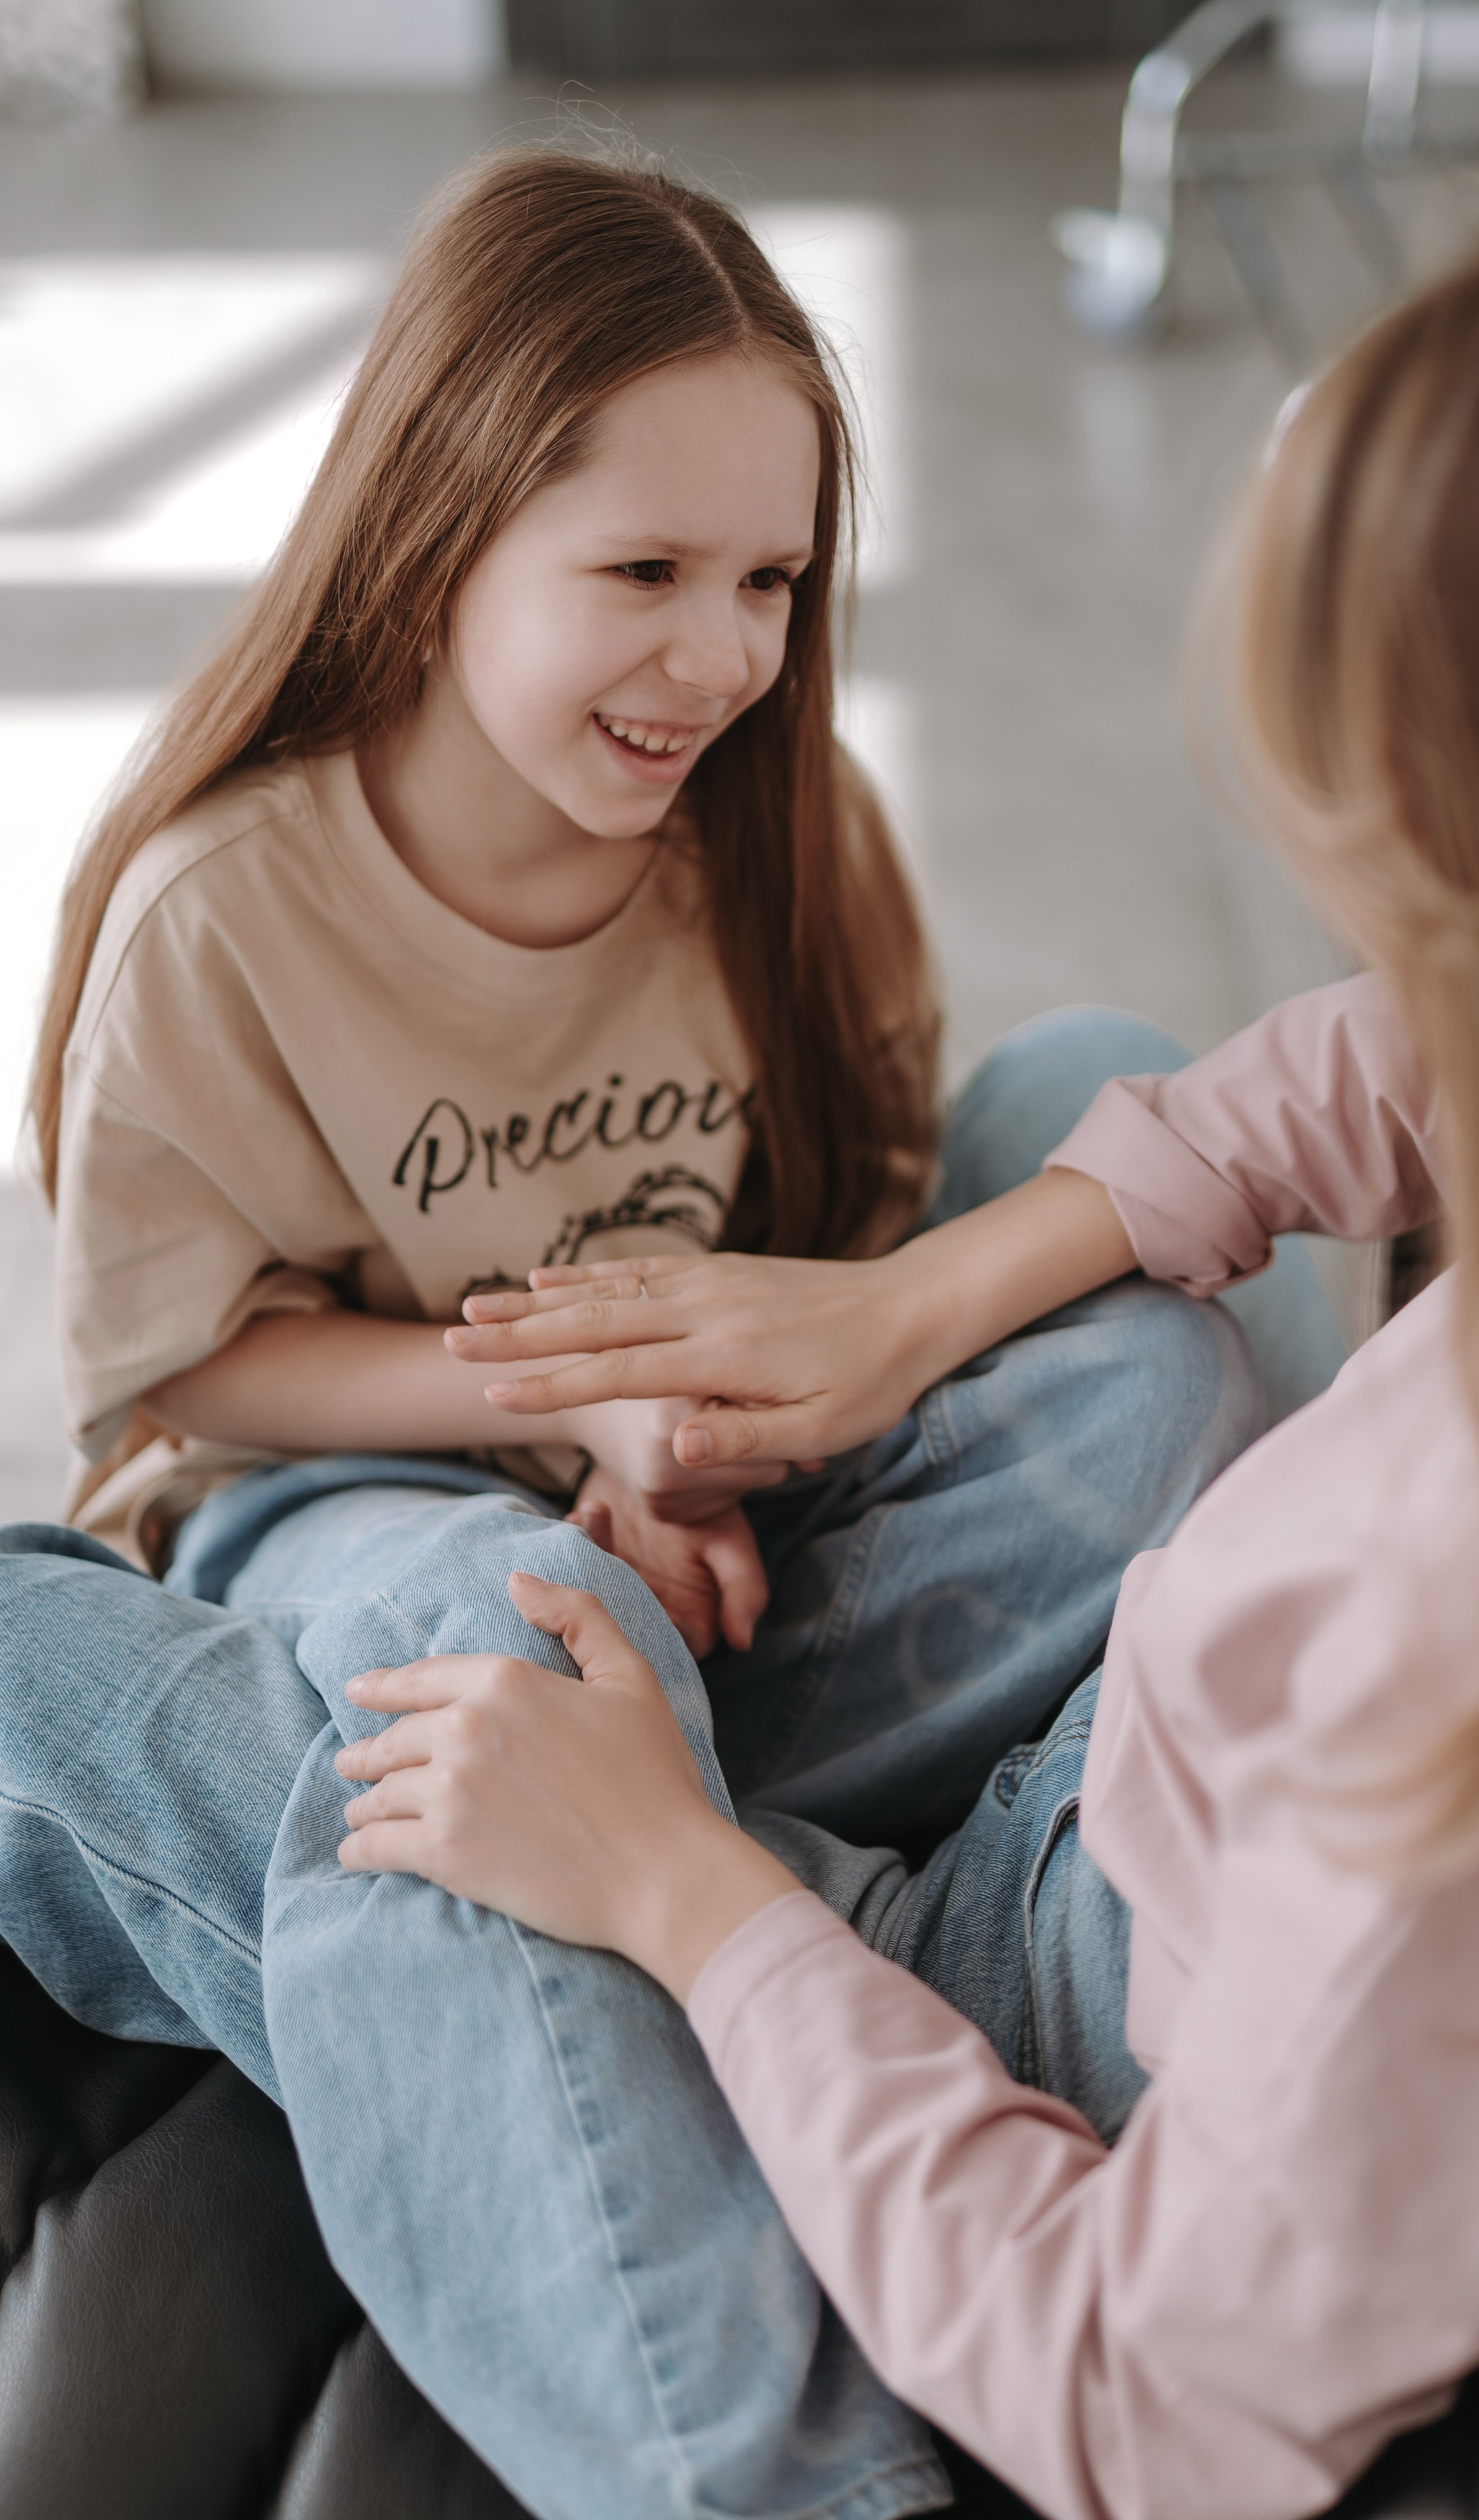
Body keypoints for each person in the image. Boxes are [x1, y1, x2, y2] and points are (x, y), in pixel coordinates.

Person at [305, 200, 1479, 2514]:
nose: (726, 654)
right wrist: (894, 1310)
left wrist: (679, 1885)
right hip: (1155, 1790)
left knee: (302, 1664)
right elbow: (1384, 1065)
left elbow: (1137, 2389)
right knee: (1109, 1090)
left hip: (1040, 2018)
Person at [30, 143, 1339, 1848]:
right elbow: (196, 1368)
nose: (723, 658)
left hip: (720, 1468)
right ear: (438, 534)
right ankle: (715, 1837)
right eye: (646, 572)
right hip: (363, 1486)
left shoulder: (792, 832)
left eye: (768, 581)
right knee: (508, 1625)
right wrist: (583, 1414)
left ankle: (607, 1833)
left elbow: (852, 1226)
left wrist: (695, 1455)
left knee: (1155, 1303)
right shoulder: (216, 913)